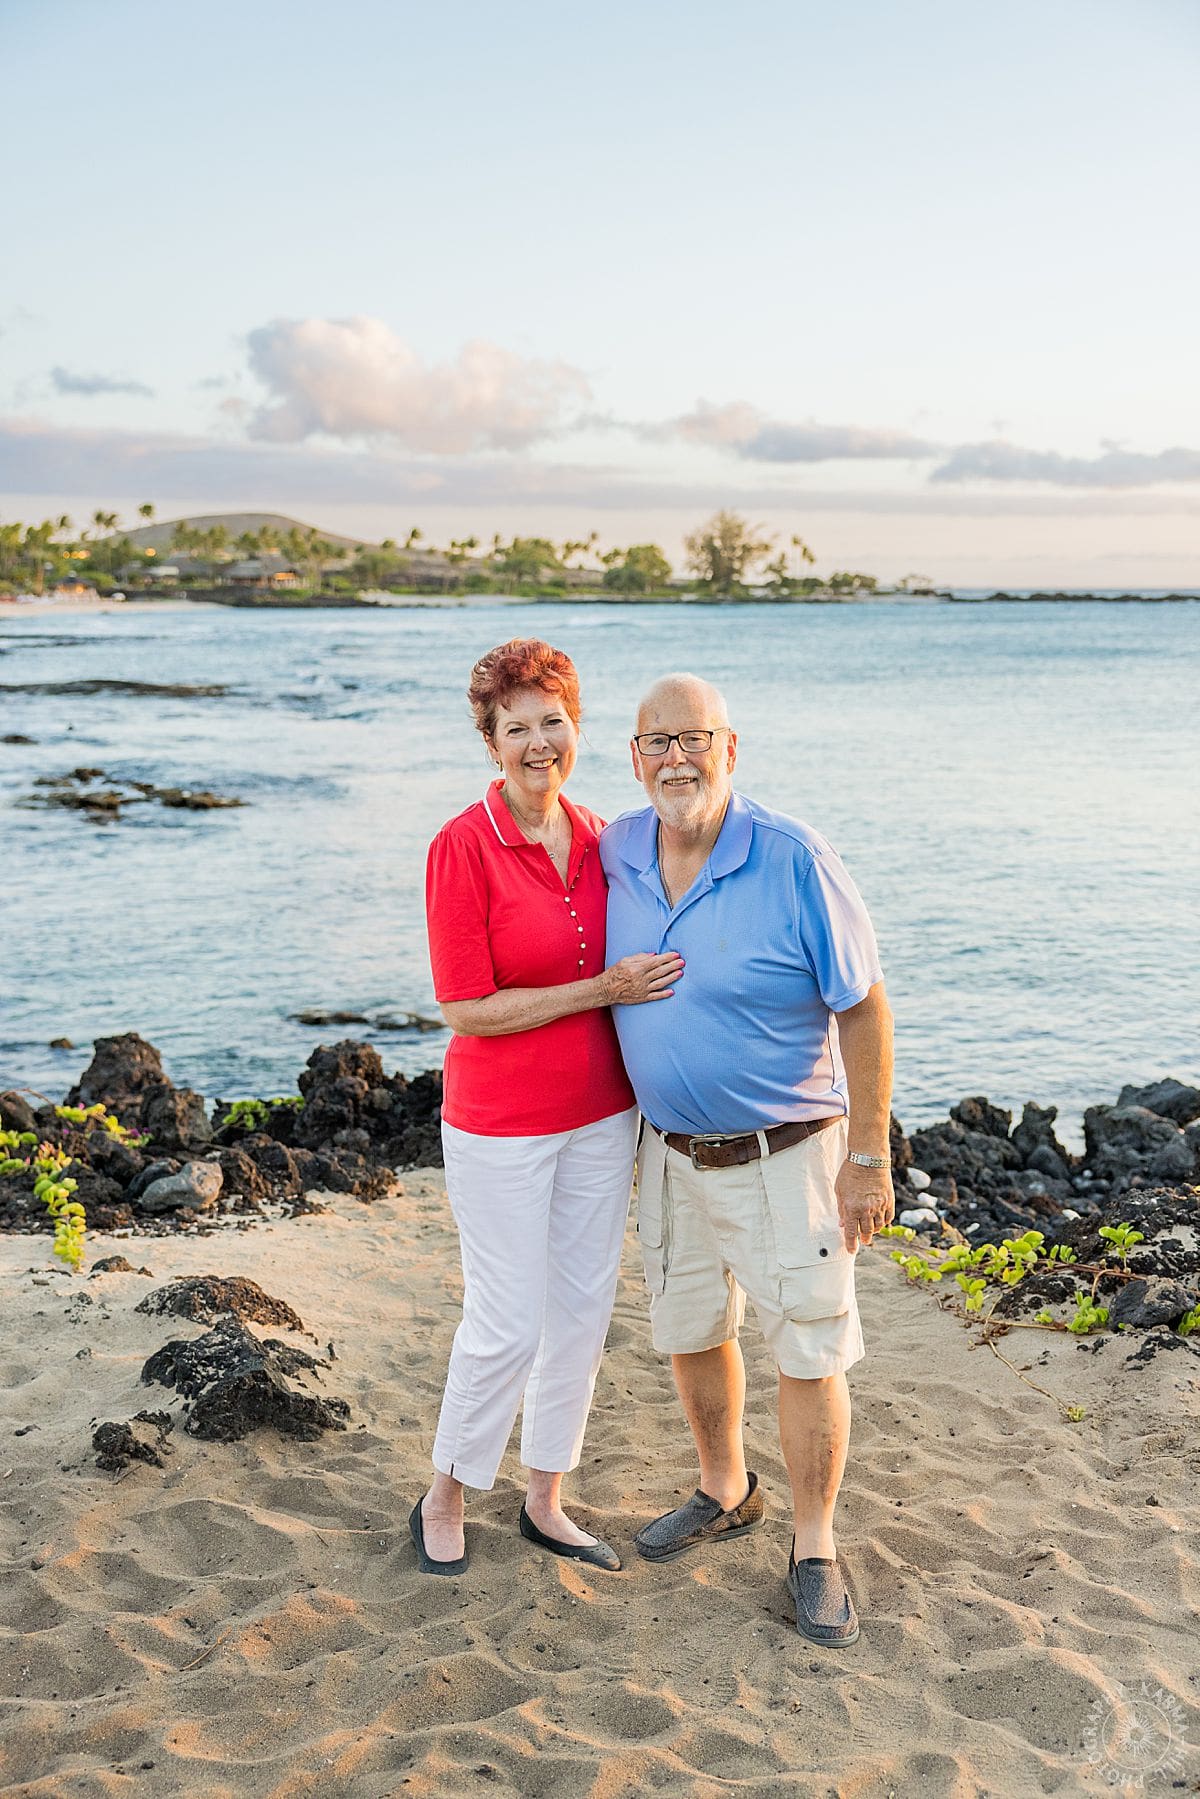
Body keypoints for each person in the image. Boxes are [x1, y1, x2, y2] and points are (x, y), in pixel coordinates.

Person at [600, 672, 894, 1646]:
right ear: (634, 757)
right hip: (669, 1150)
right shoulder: (619, 849)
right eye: (657, 742)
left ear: (732, 747)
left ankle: (816, 1543)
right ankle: (726, 1486)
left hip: (789, 1151)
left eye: (695, 738)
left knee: (808, 1346)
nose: (676, 757)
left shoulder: (795, 857)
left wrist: (869, 1154)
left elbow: (864, 1005)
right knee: (691, 1326)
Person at [414, 638, 683, 1577]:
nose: (538, 741)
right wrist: (600, 990)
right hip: (497, 1123)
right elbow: (463, 1006)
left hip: (604, 1115)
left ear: (577, 729)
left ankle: (545, 1497)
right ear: (490, 741)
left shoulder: (606, 835)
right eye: (516, 726)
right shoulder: (461, 847)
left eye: (553, 721)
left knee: (579, 1312)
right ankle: (446, 1488)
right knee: (506, 1319)